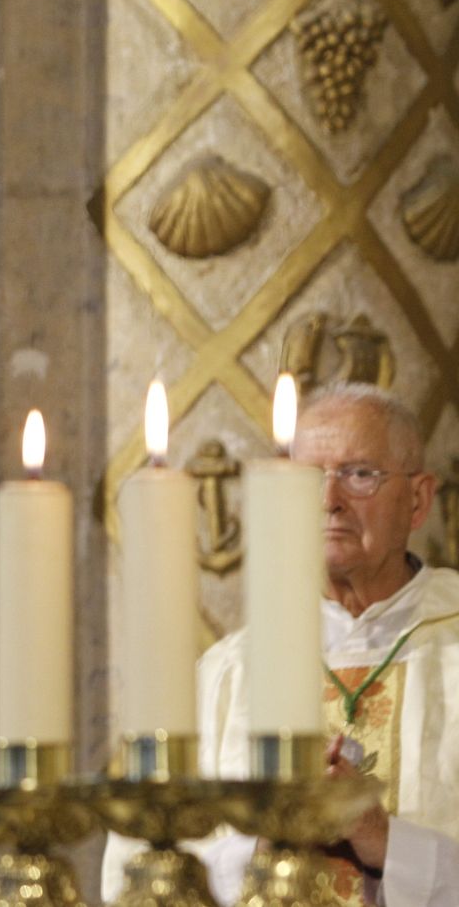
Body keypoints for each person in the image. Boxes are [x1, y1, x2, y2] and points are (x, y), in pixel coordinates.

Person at [102, 383, 456, 906]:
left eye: (360, 474)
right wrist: (266, 840)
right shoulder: (225, 674)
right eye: (307, 479)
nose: (330, 501)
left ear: (418, 499)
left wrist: (388, 843)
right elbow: (136, 876)